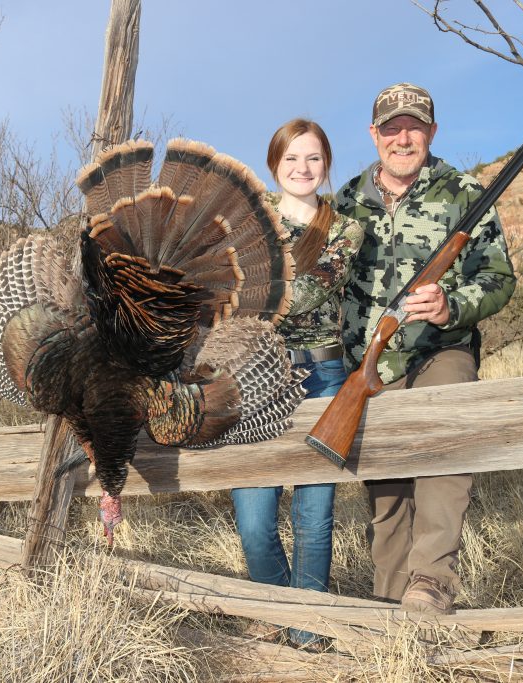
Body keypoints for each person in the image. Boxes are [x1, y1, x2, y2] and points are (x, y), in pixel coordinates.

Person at [333, 83, 516, 614]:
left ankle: (432, 583)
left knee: (445, 443)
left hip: (442, 350)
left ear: (432, 132)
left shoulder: (466, 193)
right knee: (386, 492)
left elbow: (499, 277)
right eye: (391, 128)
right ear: (374, 135)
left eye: (414, 126)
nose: (403, 137)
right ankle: (391, 602)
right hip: (370, 363)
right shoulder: (345, 202)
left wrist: (450, 305)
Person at [231, 118, 362, 646]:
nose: (302, 169)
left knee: (314, 510)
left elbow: (303, 296)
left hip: (324, 373)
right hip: (258, 375)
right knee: (254, 516)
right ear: (274, 165)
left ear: (326, 165)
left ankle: (306, 629)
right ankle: (276, 602)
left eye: (313, 159)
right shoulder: (243, 219)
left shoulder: (346, 230)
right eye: (291, 159)